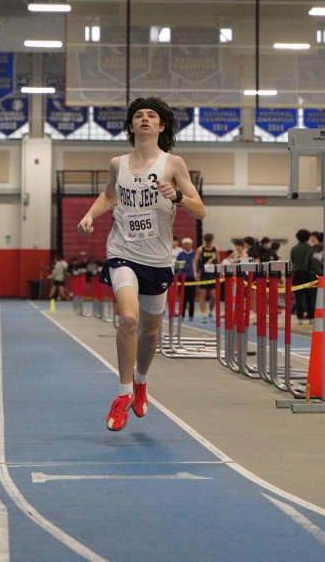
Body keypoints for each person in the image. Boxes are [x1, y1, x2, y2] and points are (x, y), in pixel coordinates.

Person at [77, 96, 205, 432]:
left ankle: (141, 382)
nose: (144, 119)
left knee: (150, 330)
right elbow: (110, 195)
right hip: (123, 251)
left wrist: (177, 196)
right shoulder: (117, 164)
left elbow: (200, 210)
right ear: (131, 126)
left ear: (161, 126)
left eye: (151, 115)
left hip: (157, 259)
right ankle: (122, 395)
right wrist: (90, 215)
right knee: (129, 319)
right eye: (138, 115)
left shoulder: (172, 164)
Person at [289, 229, 314, 324]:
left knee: (299, 296)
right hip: (309, 274)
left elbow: (292, 261)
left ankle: (300, 317)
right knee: (310, 296)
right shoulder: (311, 248)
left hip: (297, 274)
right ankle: (311, 316)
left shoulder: (294, 249)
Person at [193, 232, 218, 323]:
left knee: (213, 296)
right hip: (203, 275)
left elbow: (218, 262)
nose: (208, 244)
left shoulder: (215, 249)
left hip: (212, 275)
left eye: (209, 242)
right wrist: (195, 272)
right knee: (202, 295)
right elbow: (195, 262)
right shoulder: (201, 249)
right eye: (207, 242)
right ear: (205, 241)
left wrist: (220, 272)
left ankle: (210, 312)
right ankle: (203, 314)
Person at [174, 237, 197, 320]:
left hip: (192, 278)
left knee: (192, 297)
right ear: (183, 245)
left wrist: (196, 274)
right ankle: (182, 315)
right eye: (186, 244)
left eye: (189, 244)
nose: (188, 246)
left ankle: (191, 315)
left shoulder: (195, 254)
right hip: (183, 278)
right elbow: (177, 266)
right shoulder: (180, 255)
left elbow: (197, 265)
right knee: (183, 297)